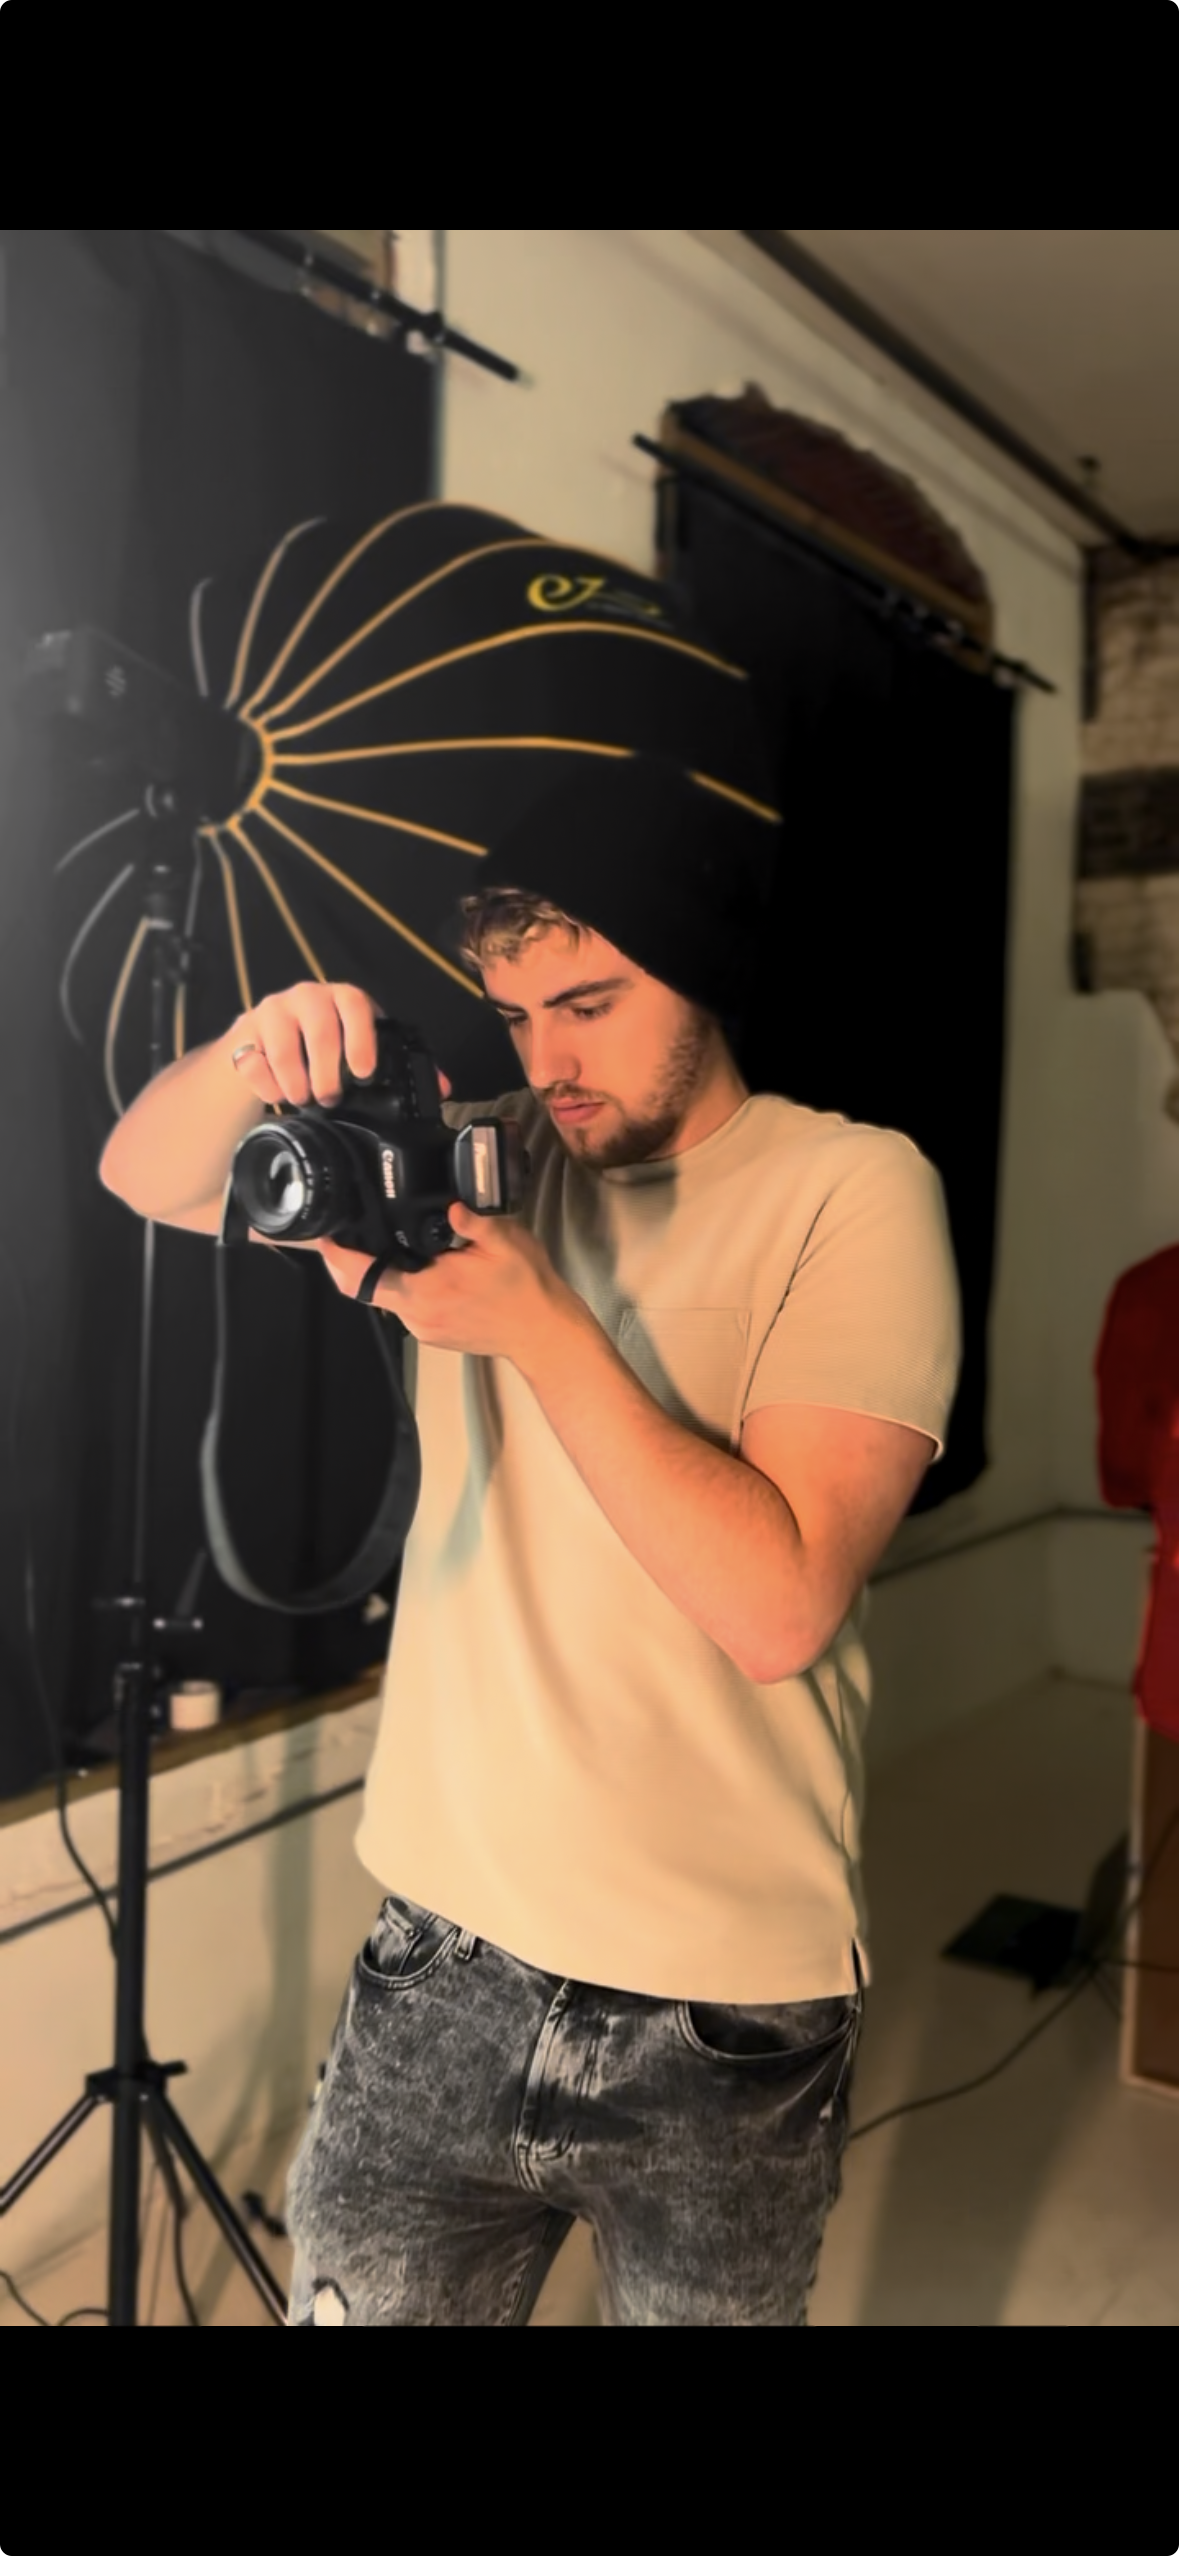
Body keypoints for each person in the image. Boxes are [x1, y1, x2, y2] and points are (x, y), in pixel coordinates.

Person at [100, 754, 961, 2325]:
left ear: (703, 971)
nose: (546, 1060)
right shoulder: (475, 1164)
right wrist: (254, 1050)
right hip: (438, 1957)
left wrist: (540, 1326)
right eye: (512, 1016)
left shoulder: (853, 1188)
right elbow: (143, 1175)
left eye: (590, 1003)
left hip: (724, 2009)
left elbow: (774, 1607)